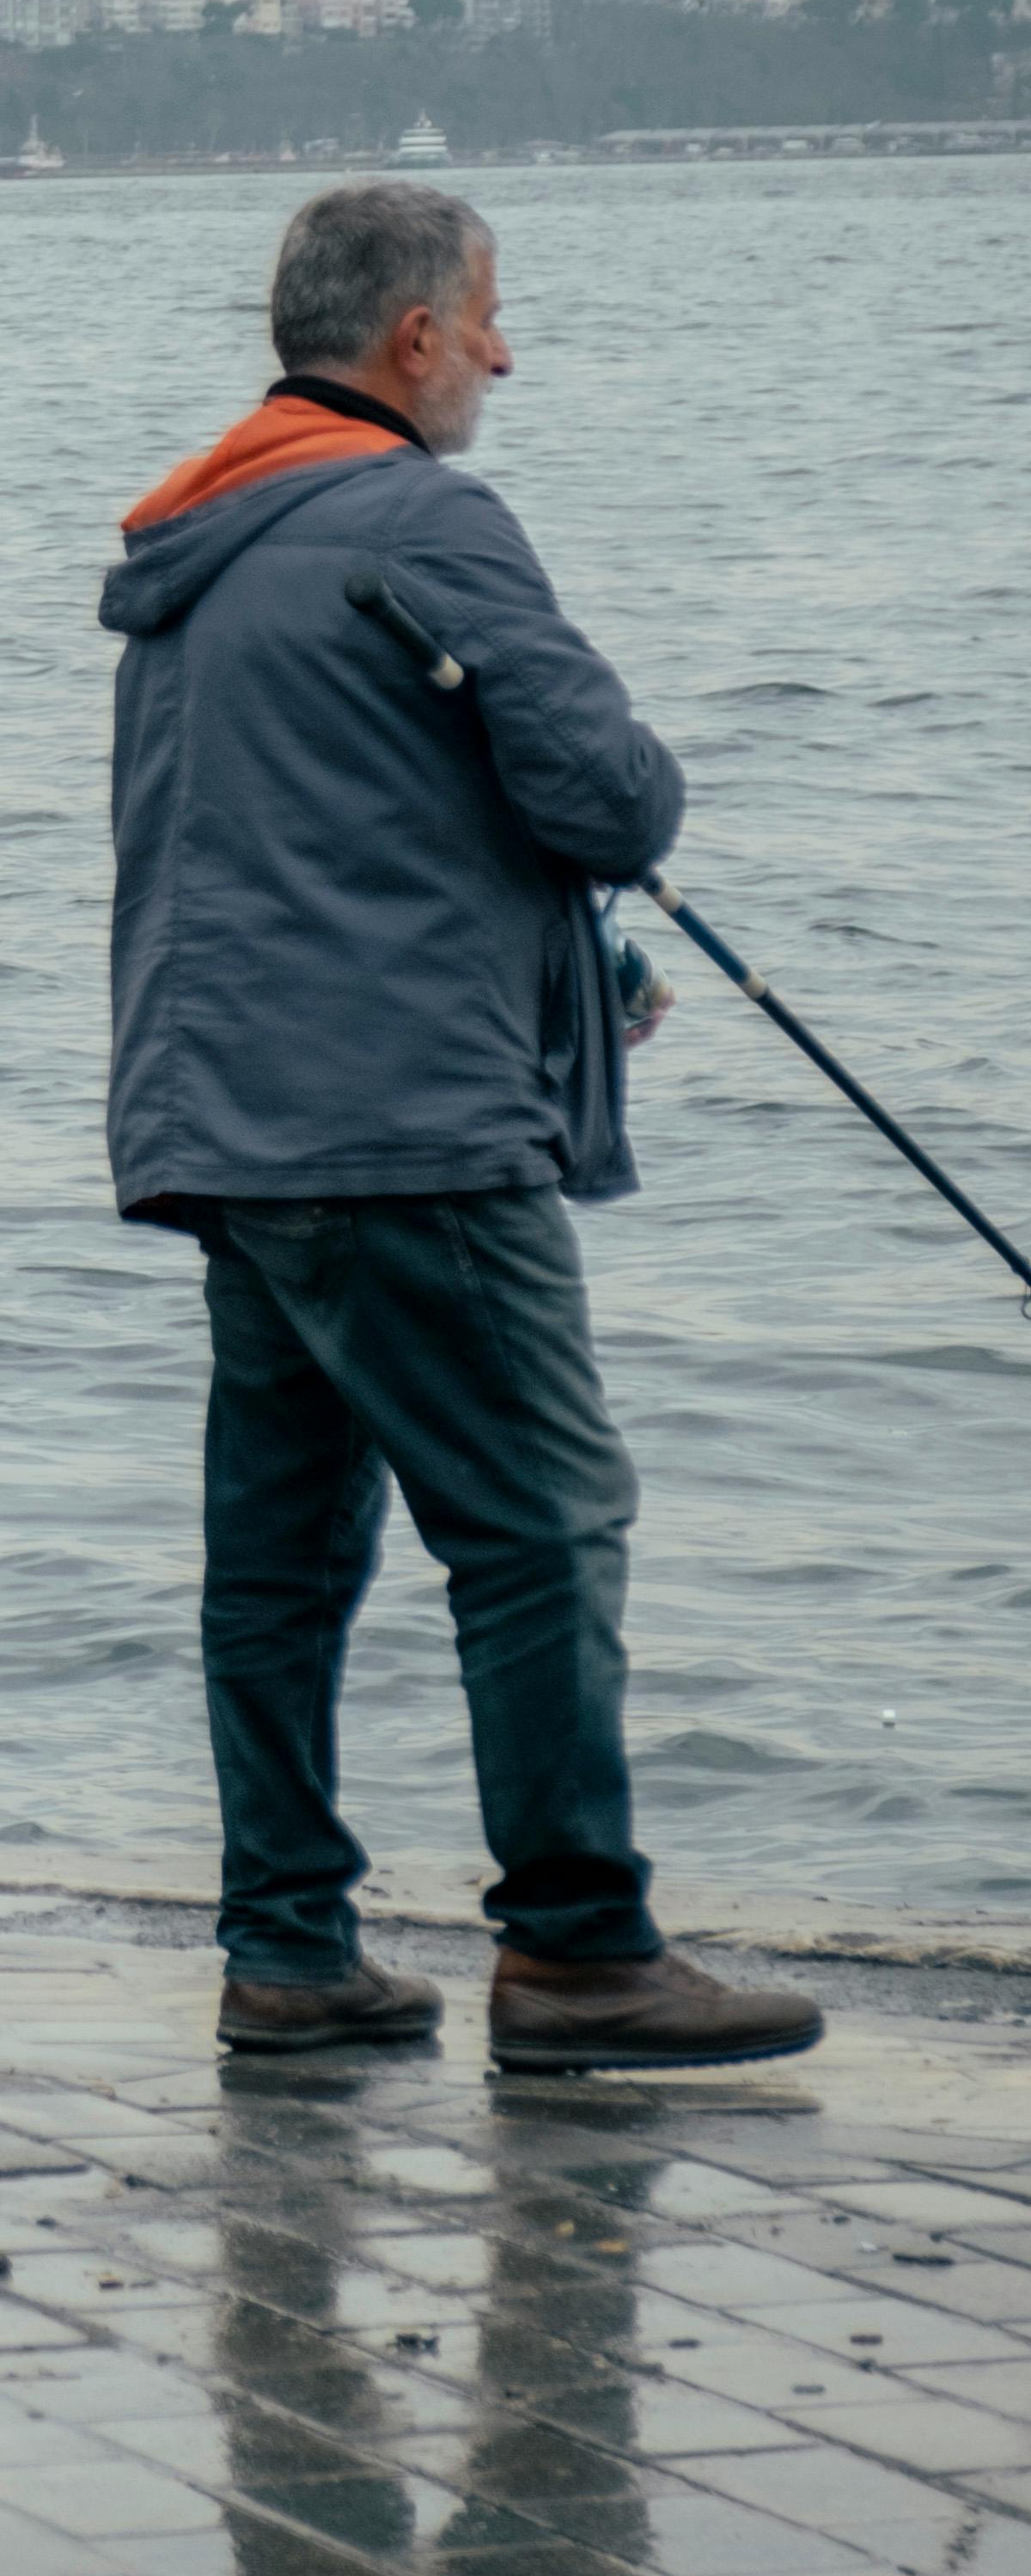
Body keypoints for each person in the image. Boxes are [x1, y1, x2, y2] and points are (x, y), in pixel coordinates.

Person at [103, 180, 819, 2079]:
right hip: (403, 1135)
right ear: (411, 336)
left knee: (279, 1556)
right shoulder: (423, 515)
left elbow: (326, 842)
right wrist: (594, 874)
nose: (505, 351)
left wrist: (554, 961)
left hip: (229, 1128)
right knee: (544, 1524)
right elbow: (609, 790)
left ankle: (286, 1954)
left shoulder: (203, 540)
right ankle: (581, 1952)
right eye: (488, 316)